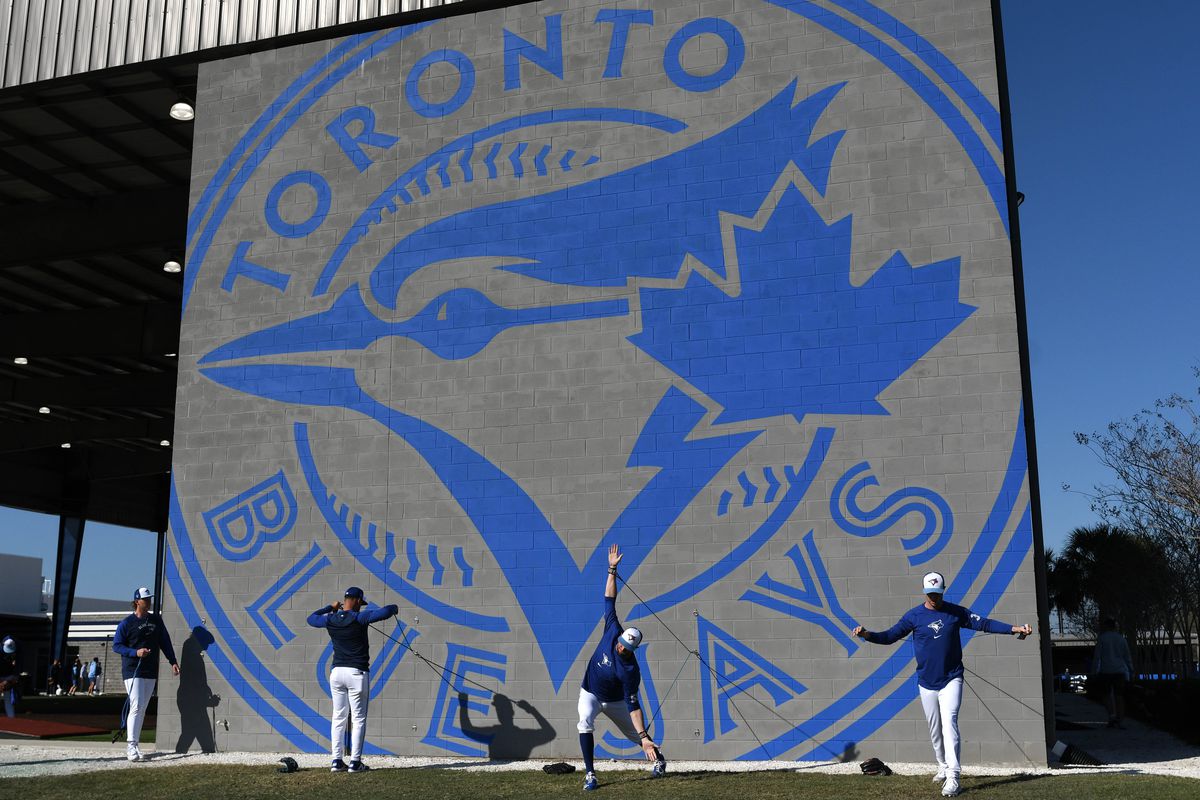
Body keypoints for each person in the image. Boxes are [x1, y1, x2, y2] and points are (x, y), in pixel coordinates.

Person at [852, 572, 1031, 798]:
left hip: (952, 678)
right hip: (926, 682)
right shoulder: (914, 616)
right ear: (924, 592)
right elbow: (889, 636)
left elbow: (984, 623)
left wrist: (1014, 628)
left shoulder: (956, 612)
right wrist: (866, 634)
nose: (933, 598)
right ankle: (943, 765)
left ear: (943, 590)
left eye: (937, 593)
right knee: (935, 730)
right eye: (930, 594)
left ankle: (953, 777)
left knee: (950, 724)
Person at [576, 544, 666, 791]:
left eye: (625, 648)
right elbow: (609, 599)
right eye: (620, 644)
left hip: (615, 701)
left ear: (632, 650)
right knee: (584, 722)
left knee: (636, 737)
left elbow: (633, 705)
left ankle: (658, 759)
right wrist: (612, 569)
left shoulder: (630, 671)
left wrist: (644, 736)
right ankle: (591, 775)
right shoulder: (613, 630)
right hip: (591, 692)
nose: (620, 648)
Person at [306, 586, 398, 773]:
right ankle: (355, 762)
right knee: (358, 719)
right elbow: (386, 611)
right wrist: (395, 607)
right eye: (360, 603)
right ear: (356, 600)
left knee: (338, 717)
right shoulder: (359, 617)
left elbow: (311, 619)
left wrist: (329, 607)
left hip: (337, 673)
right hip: (356, 673)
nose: (361, 606)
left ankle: (336, 761)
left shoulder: (331, 618)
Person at [112, 587, 180, 762]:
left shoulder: (156, 620)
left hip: (150, 670)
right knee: (136, 705)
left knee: (142, 708)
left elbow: (164, 641)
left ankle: (136, 744)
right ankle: (131, 746)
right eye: (145, 599)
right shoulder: (126, 623)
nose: (149, 601)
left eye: (149, 598)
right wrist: (135, 652)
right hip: (133, 670)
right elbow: (116, 646)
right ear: (137, 601)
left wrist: (173, 661)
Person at [1091, 616, 1133, 728]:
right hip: (1119, 670)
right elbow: (1127, 656)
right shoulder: (1121, 639)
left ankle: (1111, 716)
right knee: (1119, 695)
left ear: (1106, 626)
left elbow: (1097, 656)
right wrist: (1131, 669)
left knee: (1106, 695)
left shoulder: (1102, 638)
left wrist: (1094, 670)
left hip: (1106, 670)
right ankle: (1120, 719)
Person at [1, 637, 19, 718]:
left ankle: (11, 718)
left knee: (8, 699)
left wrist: (13, 678)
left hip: (8, 676)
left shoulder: (16, 651)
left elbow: (16, 667)